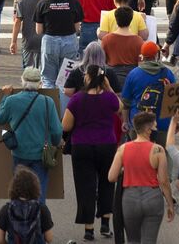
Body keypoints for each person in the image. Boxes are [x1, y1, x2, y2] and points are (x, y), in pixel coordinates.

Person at [63, 64, 121, 240]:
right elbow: (120, 107)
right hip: (107, 144)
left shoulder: (77, 99)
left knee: (85, 186)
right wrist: (108, 87)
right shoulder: (109, 98)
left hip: (82, 146)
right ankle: (105, 222)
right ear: (103, 79)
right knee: (107, 182)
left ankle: (88, 229)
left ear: (87, 78)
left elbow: (65, 125)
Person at [0, 66, 63, 199]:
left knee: (18, 191)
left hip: (19, 152)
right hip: (40, 154)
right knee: (40, 191)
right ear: (39, 83)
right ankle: (37, 217)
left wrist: (5, 96)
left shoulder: (11, 100)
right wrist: (54, 144)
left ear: (22, 81)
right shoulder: (48, 102)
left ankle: (18, 216)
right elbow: (56, 130)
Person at [111, 111, 176, 244]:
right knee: (149, 240)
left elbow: (111, 177)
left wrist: (125, 169)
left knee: (133, 240)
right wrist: (170, 204)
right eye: (155, 127)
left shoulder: (123, 149)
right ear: (148, 129)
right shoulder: (158, 150)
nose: (156, 129)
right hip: (152, 197)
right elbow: (163, 181)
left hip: (130, 198)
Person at [0, 167, 55, 244]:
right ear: (35, 187)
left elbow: (0, 240)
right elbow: (49, 238)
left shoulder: (6, 209)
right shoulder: (42, 209)